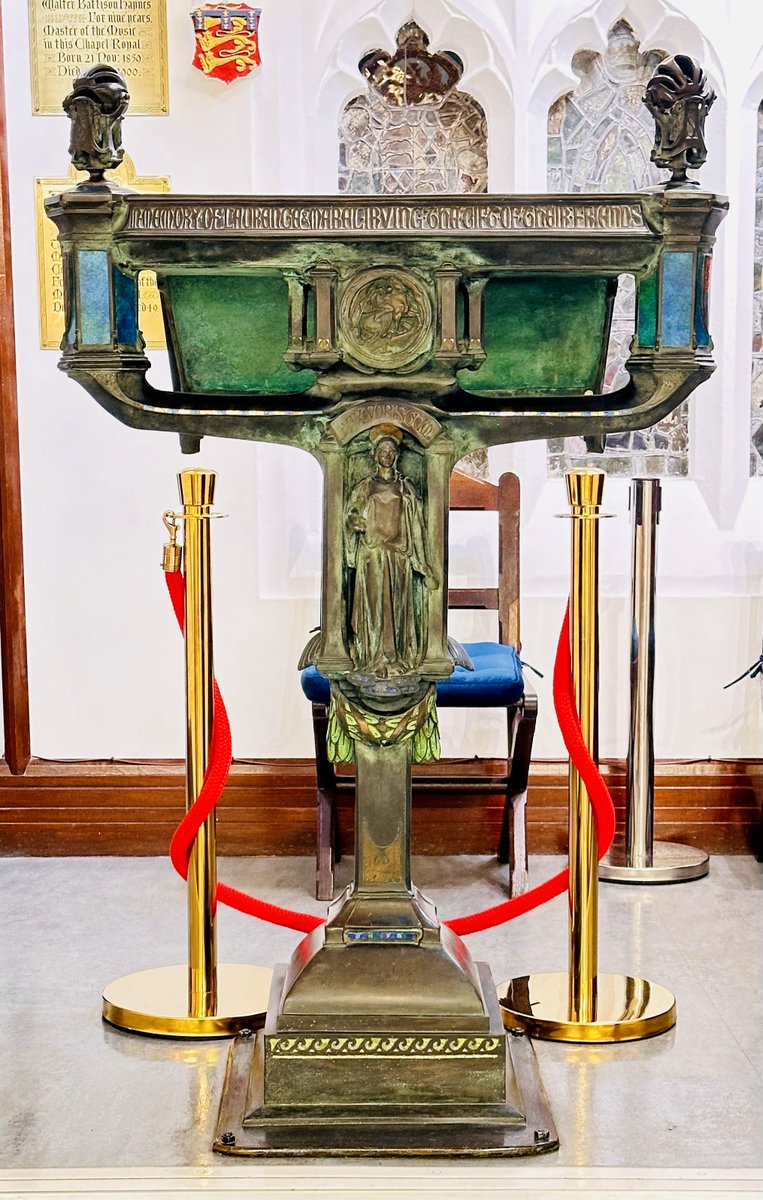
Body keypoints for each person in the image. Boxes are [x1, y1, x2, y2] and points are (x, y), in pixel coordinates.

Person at [344, 425, 436, 677]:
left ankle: (396, 657)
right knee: (374, 607)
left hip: (398, 555)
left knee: (396, 608)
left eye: (391, 450)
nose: (387, 454)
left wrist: (424, 564)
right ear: (375, 455)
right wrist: (354, 522)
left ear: (397, 455)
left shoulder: (405, 487)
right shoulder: (365, 486)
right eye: (383, 450)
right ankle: (373, 658)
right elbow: (351, 514)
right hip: (372, 555)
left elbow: (417, 524)